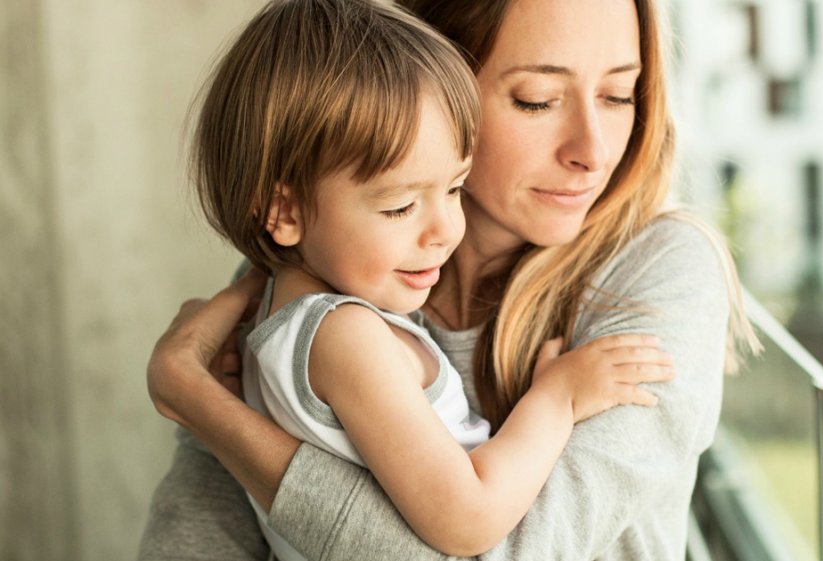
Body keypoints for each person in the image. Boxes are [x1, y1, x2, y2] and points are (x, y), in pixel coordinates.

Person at [139, 0, 761, 559]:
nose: (592, 152)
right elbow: (198, 533)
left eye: (620, 95)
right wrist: (557, 399)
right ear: (433, 78)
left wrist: (200, 404)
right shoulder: (329, 260)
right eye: (537, 100)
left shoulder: (659, 268)